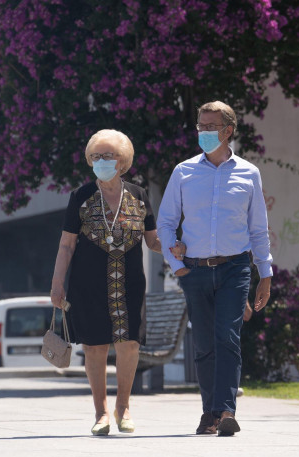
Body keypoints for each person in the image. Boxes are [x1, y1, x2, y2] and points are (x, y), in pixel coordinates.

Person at [157, 101, 273, 436]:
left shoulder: (249, 173)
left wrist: (265, 274)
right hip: (194, 271)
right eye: (200, 126)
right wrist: (176, 265)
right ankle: (209, 412)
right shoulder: (183, 172)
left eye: (211, 126)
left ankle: (225, 412)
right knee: (205, 344)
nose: (204, 132)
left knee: (228, 337)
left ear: (228, 130)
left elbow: (258, 229)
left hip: (235, 268)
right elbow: (165, 224)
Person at [51, 129, 173, 436]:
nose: (102, 161)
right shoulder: (80, 197)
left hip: (130, 282)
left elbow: (153, 240)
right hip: (87, 283)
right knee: (95, 346)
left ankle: (124, 407)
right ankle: (101, 412)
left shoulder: (139, 195)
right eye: (96, 156)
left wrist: (178, 247)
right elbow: (66, 246)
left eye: (108, 156)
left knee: (129, 343)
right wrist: (57, 283)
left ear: (123, 161)